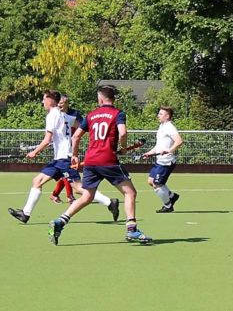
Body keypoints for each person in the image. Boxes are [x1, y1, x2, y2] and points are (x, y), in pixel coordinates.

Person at [48, 85, 152, 245]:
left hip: (90, 161)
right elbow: (123, 132)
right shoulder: (118, 114)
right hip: (108, 160)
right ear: (113, 98)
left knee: (87, 196)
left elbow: (75, 137)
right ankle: (132, 230)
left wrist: (75, 155)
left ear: (100, 98)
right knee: (130, 193)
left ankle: (59, 222)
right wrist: (123, 148)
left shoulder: (91, 115)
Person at [7, 90, 119, 224]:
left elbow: (47, 140)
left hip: (65, 158)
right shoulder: (64, 115)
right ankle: (25, 213)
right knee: (37, 181)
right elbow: (82, 126)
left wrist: (35, 152)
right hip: (58, 159)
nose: (42, 102)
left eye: (44, 99)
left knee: (79, 189)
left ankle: (109, 202)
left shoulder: (52, 115)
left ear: (51, 101)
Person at [141, 106, 184, 213]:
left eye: (161, 114)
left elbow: (179, 141)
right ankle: (172, 196)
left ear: (167, 116)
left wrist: (170, 150)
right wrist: (150, 153)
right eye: (158, 113)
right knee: (151, 181)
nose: (158, 116)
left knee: (157, 184)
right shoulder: (162, 126)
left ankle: (168, 206)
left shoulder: (169, 127)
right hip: (159, 160)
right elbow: (159, 145)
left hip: (166, 162)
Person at [49, 94, 82, 204]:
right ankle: (69, 196)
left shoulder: (75, 114)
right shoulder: (56, 113)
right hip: (62, 148)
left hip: (72, 145)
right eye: (58, 103)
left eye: (62, 104)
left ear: (67, 104)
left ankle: (55, 195)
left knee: (67, 173)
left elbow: (82, 126)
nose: (59, 105)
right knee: (67, 172)